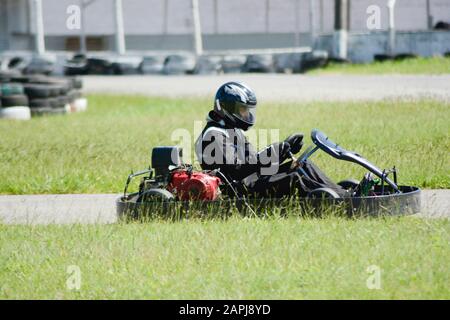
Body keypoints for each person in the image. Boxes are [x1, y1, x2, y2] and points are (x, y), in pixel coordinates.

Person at [195, 81, 348, 198]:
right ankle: (344, 201)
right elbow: (237, 171)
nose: (245, 115)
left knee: (303, 165)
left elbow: (254, 162)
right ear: (226, 107)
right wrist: (273, 152)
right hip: (240, 192)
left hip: (252, 180)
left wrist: (283, 150)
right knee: (294, 178)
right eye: (242, 110)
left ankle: (347, 193)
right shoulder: (213, 134)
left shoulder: (232, 130)